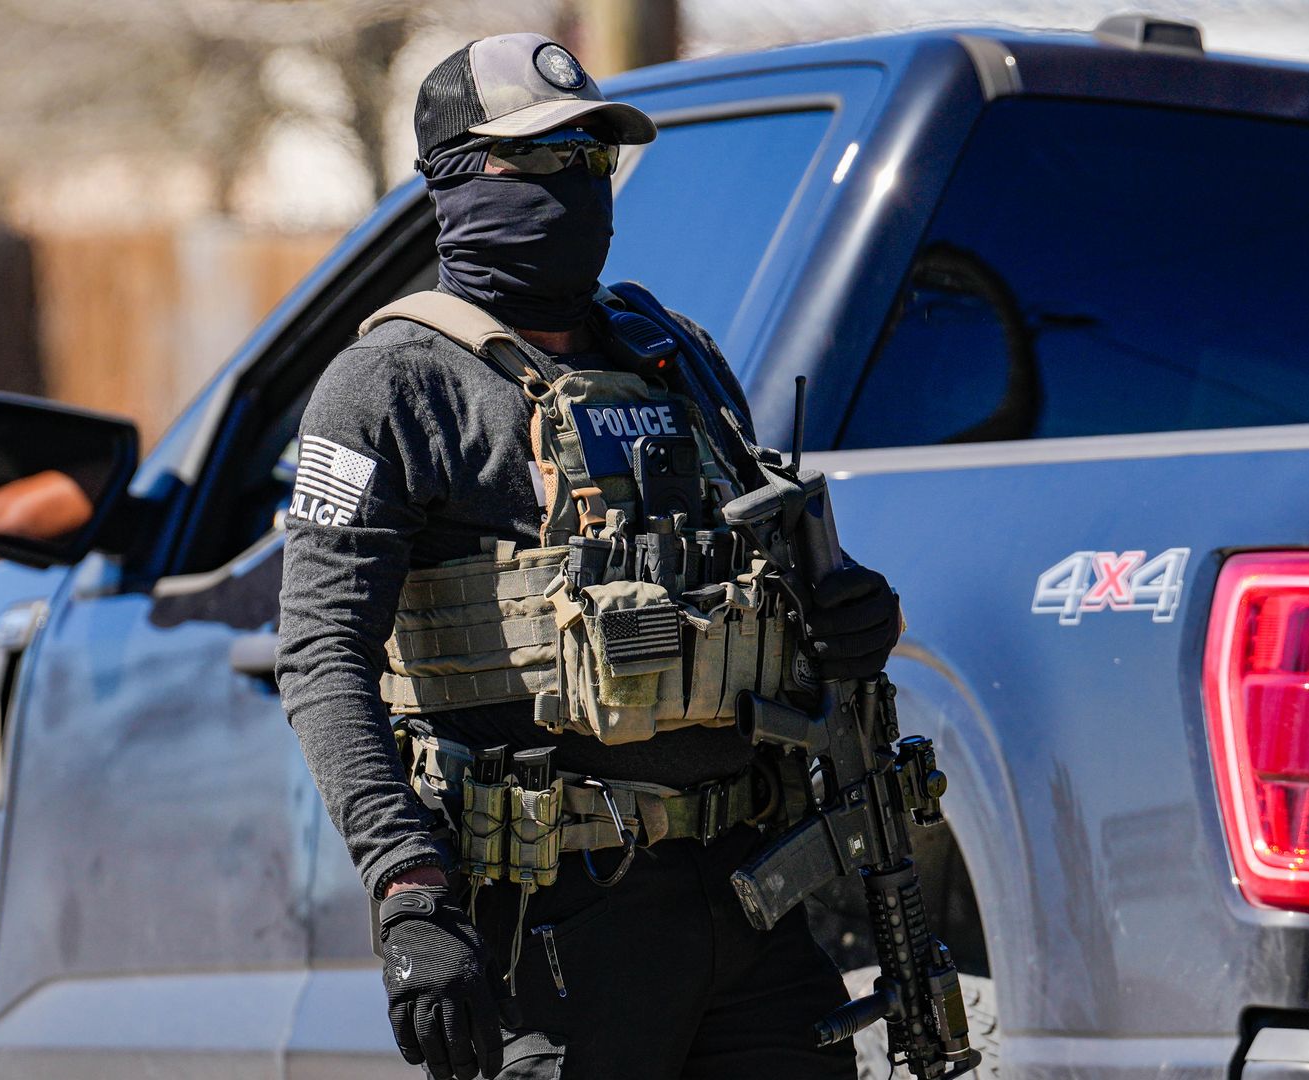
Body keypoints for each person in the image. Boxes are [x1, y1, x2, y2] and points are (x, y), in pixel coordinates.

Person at [277, 32, 901, 1080]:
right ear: (458, 179)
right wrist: (407, 889)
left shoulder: (672, 353)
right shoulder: (389, 385)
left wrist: (847, 615)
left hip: (748, 902)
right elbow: (319, 655)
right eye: (544, 158)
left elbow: (755, 576)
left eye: (594, 159)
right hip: (552, 934)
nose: (577, 184)